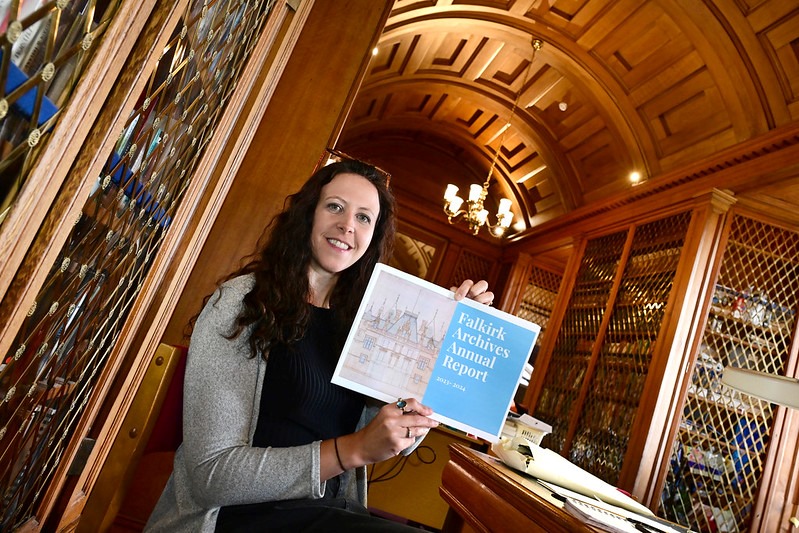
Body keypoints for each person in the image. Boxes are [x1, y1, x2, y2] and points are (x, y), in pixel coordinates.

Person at [145, 157, 494, 532]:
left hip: (327, 510)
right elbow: (210, 476)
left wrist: (445, 338)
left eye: (364, 218)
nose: (347, 224)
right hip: (235, 517)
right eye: (335, 207)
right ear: (308, 214)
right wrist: (354, 449)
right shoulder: (242, 303)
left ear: (373, 238)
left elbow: (396, 437)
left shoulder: (363, 322)